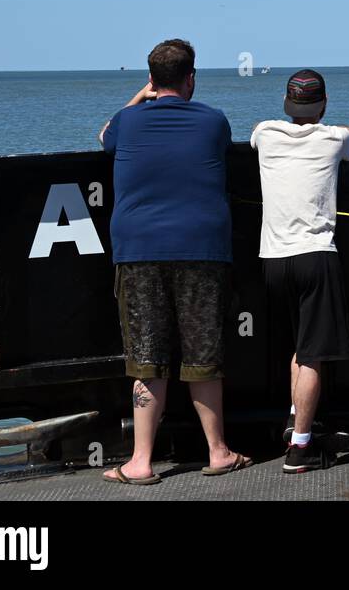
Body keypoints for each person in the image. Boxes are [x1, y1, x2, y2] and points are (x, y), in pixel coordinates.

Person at [98, 39, 251, 484]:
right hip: (203, 248)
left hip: (140, 249)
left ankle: (141, 462)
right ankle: (218, 451)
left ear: (152, 79)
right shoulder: (212, 121)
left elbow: (103, 136)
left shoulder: (128, 121)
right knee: (203, 354)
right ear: (191, 78)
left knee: (147, 357)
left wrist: (138, 97)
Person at [251, 70, 349, 474]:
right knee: (314, 356)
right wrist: (331, 124)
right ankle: (300, 448)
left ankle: (293, 420)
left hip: (273, 259)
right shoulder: (333, 139)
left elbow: (256, 132)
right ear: (324, 103)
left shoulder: (265, 134)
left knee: (300, 349)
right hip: (316, 255)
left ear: (287, 103)